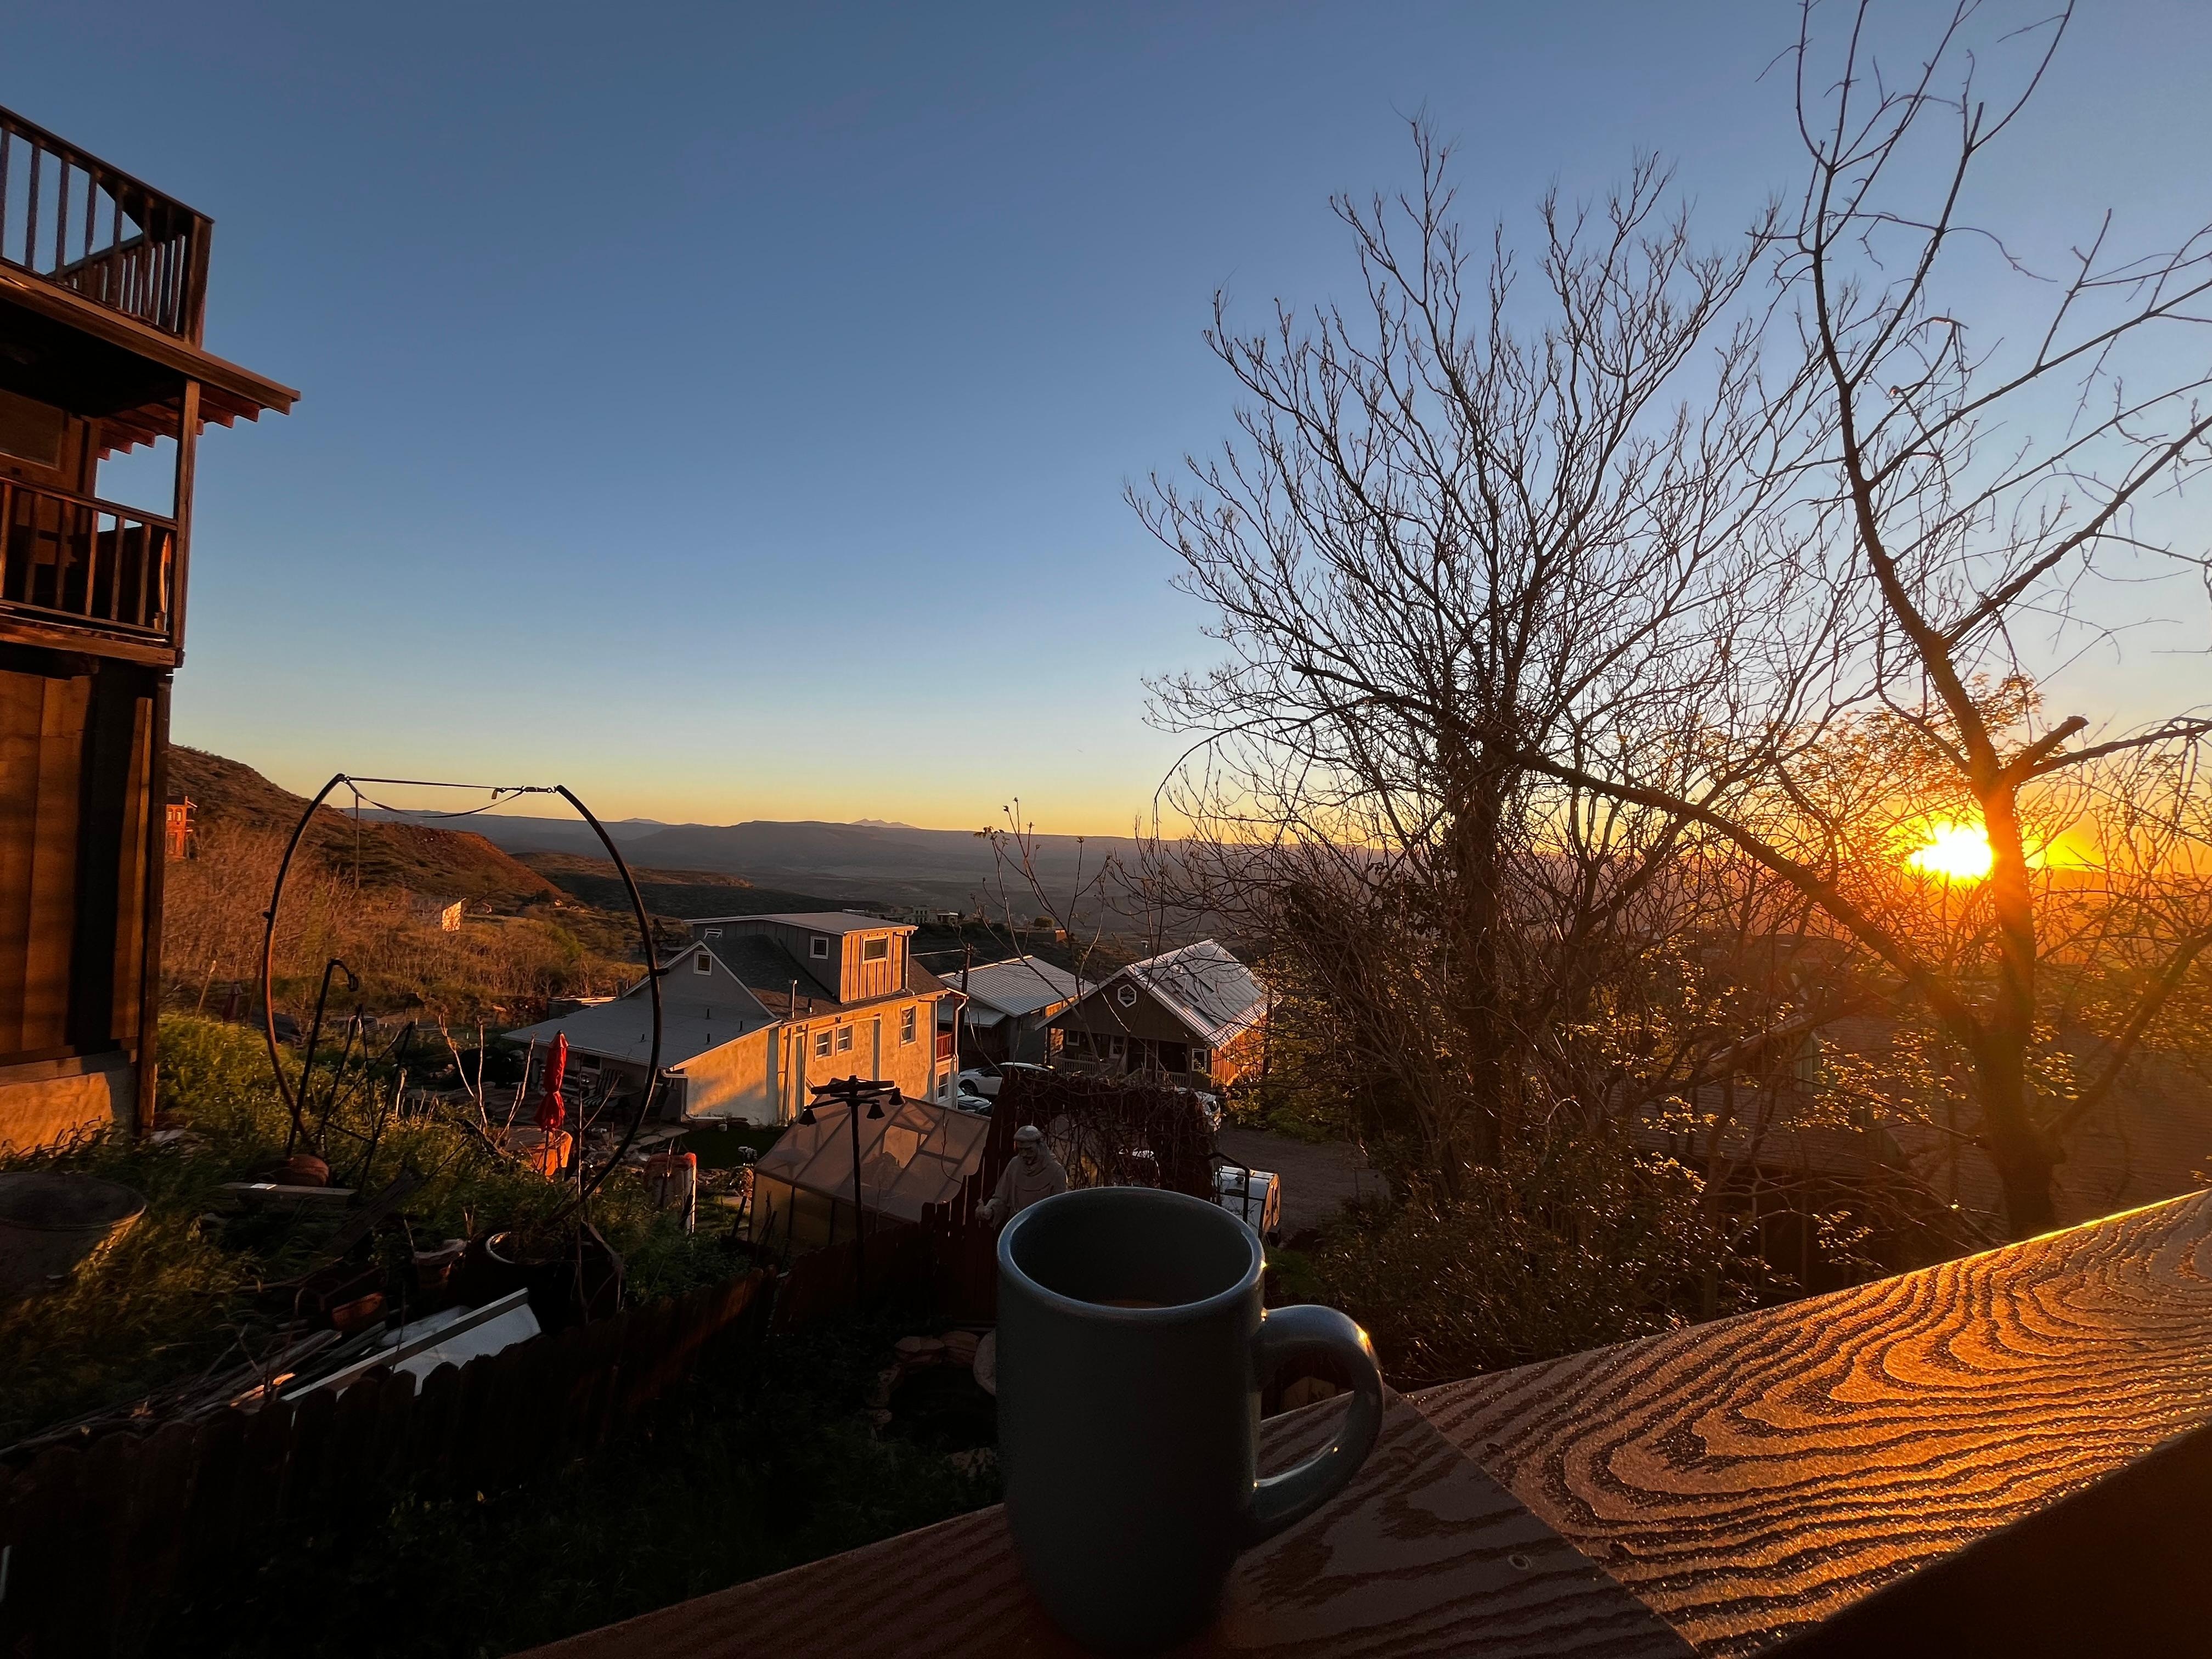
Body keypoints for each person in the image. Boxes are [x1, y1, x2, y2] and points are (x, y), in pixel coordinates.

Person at [981, 1124, 1068, 1224]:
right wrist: (990, 1210)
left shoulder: (1056, 1172)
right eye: (1021, 1150)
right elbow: (1002, 1199)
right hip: (1016, 1227)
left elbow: (1059, 1211)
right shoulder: (1015, 1165)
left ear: (1040, 1145)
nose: (1024, 1154)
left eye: (1029, 1150)